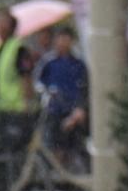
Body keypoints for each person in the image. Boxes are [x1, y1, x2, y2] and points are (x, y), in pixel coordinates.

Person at [36, 26, 90, 165]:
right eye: (60, 39)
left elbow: (84, 89)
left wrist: (80, 109)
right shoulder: (48, 63)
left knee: (74, 144)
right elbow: (39, 83)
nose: (62, 43)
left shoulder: (79, 65)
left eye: (66, 39)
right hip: (54, 110)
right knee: (54, 144)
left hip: (73, 111)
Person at [0, 7, 32, 111]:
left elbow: (25, 77)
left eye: (2, 22)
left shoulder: (19, 49)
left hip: (15, 107)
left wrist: (26, 104)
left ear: (11, 26)